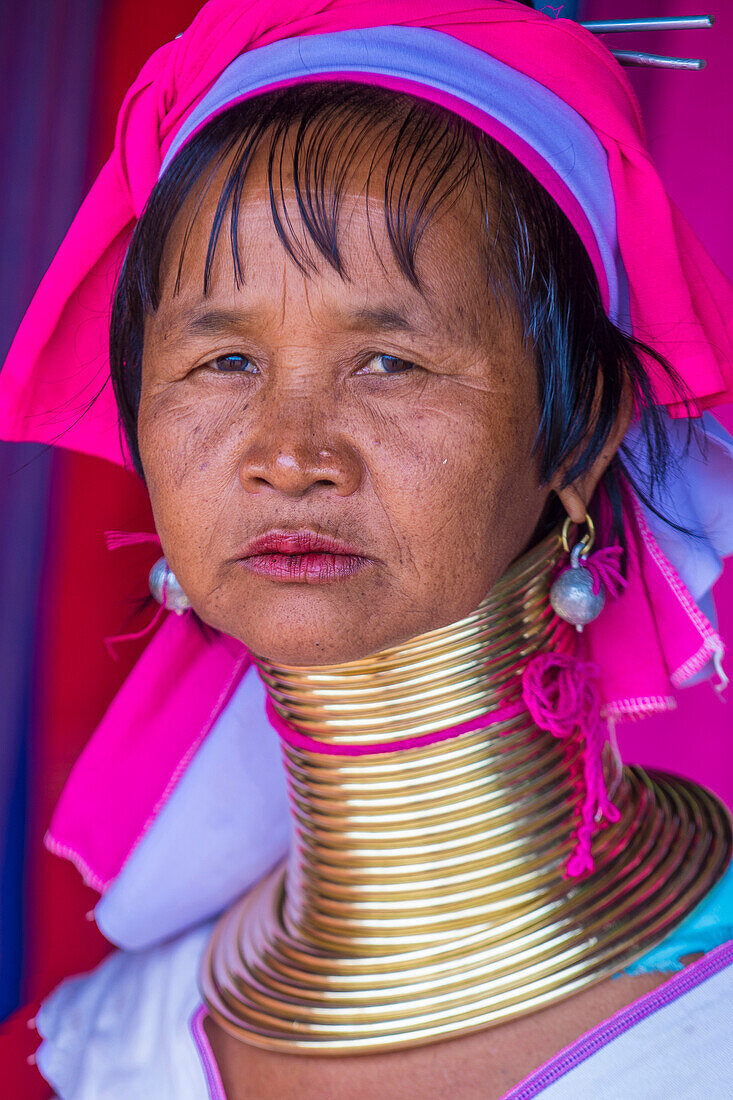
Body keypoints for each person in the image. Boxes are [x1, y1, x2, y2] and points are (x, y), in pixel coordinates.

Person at [1, 1, 732, 1096]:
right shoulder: (88, 1056)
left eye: (388, 360)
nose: (289, 455)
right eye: (223, 362)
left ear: (577, 431)